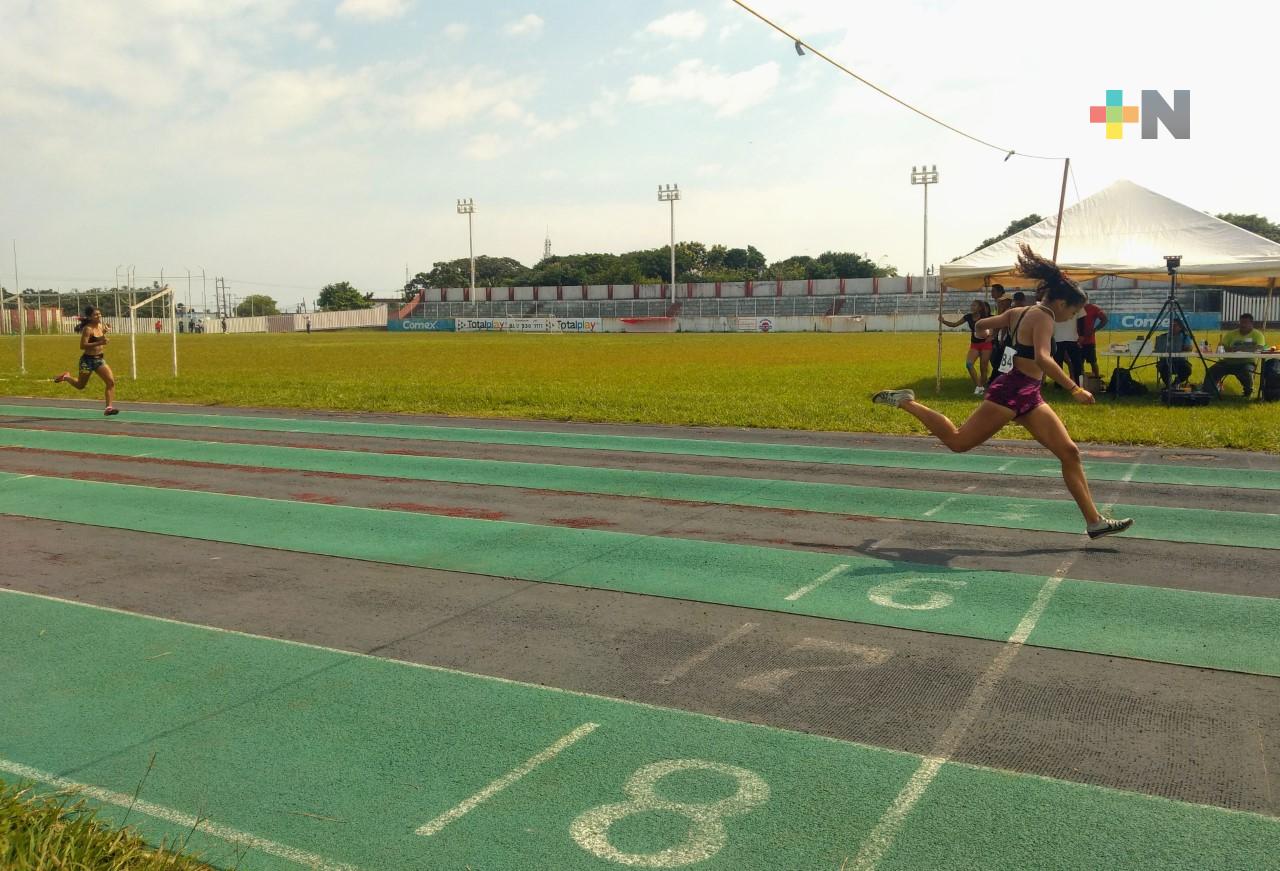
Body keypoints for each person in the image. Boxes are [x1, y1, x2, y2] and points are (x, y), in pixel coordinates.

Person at [872, 243, 1132, 539]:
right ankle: (906, 401)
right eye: (1073, 311)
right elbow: (1043, 358)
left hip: (1029, 394)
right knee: (958, 442)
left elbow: (982, 324)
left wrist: (984, 333)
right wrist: (1075, 388)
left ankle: (1094, 521)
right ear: (1060, 303)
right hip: (1011, 391)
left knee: (1069, 453)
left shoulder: (1019, 312)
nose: (1072, 317)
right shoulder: (1045, 318)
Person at [52, 306, 119, 416]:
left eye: (99, 314)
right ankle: (66, 377)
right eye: (96, 314)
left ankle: (109, 408)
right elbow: (83, 346)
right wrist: (100, 343)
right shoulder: (87, 329)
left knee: (110, 382)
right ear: (90, 317)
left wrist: (104, 332)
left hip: (99, 360)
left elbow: (98, 338)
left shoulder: (100, 326)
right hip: (87, 361)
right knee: (80, 385)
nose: (99, 316)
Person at [1205, 313, 1267, 398]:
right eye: (1241, 322)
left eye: (1245, 323)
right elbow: (1222, 346)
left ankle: (1248, 391)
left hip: (1246, 363)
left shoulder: (1258, 335)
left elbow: (1259, 347)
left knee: (1247, 372)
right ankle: (1208, 393)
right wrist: (1227, 348)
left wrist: (1239, 349)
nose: (1243, 325)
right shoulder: (1231, 334)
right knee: (1212, 370)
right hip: (1228, 362)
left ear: (1251, 324)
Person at [940, 300, 993, 394]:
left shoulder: (987, 317)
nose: (972, 307)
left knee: (983, 368)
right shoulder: (968, 317)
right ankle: (979, 387)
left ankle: (982, 387)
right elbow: (954, 324)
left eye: (974, 305)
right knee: (969, 364)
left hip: (986, 344)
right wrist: (943, 321)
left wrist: (992, 336)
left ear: (980, 308)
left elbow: (999, 325)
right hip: (975, 344)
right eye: (971, 305)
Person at [1154, 319, 1194, 388]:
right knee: (1163, 367)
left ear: (1180, 327)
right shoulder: (1163, 337)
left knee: (1187, 369)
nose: (1172, 327)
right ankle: (1168, 386)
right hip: (1166, 361)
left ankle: (1175, 383)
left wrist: (1183, 348)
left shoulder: (1185, 336)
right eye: (1171, 325)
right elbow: (1157, 348)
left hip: (1180, 362)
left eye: (1175, 325)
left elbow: (1190, 348)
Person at [1052, 304, 1084, 387]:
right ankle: (1059, 384)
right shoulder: (1054, 303)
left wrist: (1081, 335)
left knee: (1076, 363)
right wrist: (1081, 335)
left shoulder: (1076, 303)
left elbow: (1081, 319)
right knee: (1059, 363)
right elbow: (1082, 319)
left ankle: (1078, 383)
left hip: (1071, 338)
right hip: (1059, 338)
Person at [1076, 300, 1108, 378]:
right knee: (1079, 362)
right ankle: (1082, 380)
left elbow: (1105, 319)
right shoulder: (1074, 307)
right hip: (1076, 340)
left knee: (1093, 361)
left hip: (1089, 341)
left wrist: (1094, 330)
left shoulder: (1093, 308)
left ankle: (1096, 379)